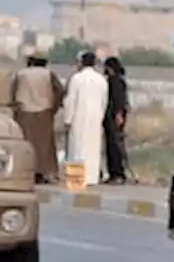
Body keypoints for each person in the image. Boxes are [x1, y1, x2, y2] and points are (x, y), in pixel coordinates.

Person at [10, 50, 65, 184]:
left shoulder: (21, 74)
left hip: (24, 113)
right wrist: (54, 108)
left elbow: (12, 93)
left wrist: (16, 109)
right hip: (44, 113)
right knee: (44, 146)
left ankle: (25, 172)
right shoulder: (49, 74)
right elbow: (60, 91)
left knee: (26, 143)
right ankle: (43, 173)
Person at [62, 50, 109, 186]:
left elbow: (71, 100)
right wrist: (101, 116)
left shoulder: (77, 78)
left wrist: (68, 119)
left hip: (79, 117)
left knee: (78, 148)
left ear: (81, 62)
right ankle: (92, 178)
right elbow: (104, 101)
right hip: (95, 118)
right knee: (93, 149)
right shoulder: (101, 80)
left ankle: (76, 178)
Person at [102, 56, 130, 184]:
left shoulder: (115, 81)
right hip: (114, 116)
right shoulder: (118, 80)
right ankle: (114, 173)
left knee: (114, 145)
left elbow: (119, 99)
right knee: (112, 144)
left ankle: (117, 173)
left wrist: (118, 115)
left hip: (114, 117)